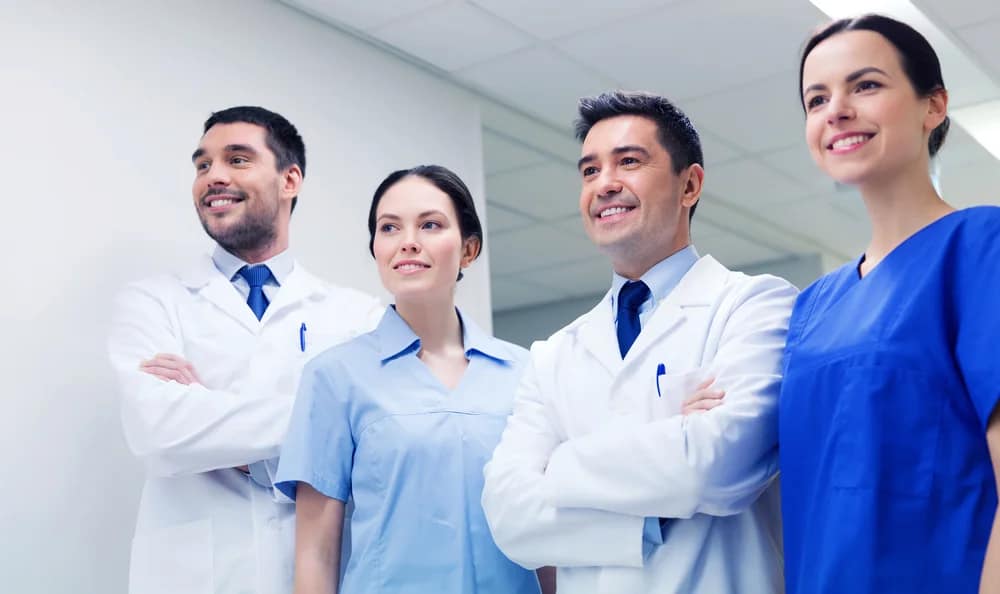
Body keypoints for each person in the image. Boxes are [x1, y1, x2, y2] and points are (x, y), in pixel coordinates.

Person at [481, 90, 797, 593]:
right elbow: (509, 518)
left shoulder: (755, 305)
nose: (605, 184)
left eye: (629, 162)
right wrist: (658, 490)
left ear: (689, 184)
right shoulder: (554, 354)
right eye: (589, 171)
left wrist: (561, 462)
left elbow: (719, 466)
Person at [108, 106, 381, 594]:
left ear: (289, 179)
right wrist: (319, 423)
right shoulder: (152, 302)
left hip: (319, 573)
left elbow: (371, 442)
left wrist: (211, 416)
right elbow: (159, 431)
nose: (213, 177)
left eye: (237, 159)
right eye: (202, 164)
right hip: (191, 576)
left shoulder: (360, 316)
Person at [781, 14, 1000, 594]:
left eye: (867, 85)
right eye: (817, 98)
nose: (837, 110)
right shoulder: (812, 309)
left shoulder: (981, 247)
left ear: (934, 106)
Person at [274, 165, 551, 594]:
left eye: (430, 225)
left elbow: (545, 540)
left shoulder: (526, 373)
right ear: (376, 248)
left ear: (469, 249)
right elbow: (316, 553)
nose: (408, 242)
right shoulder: (335, 377)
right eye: (389, 228)